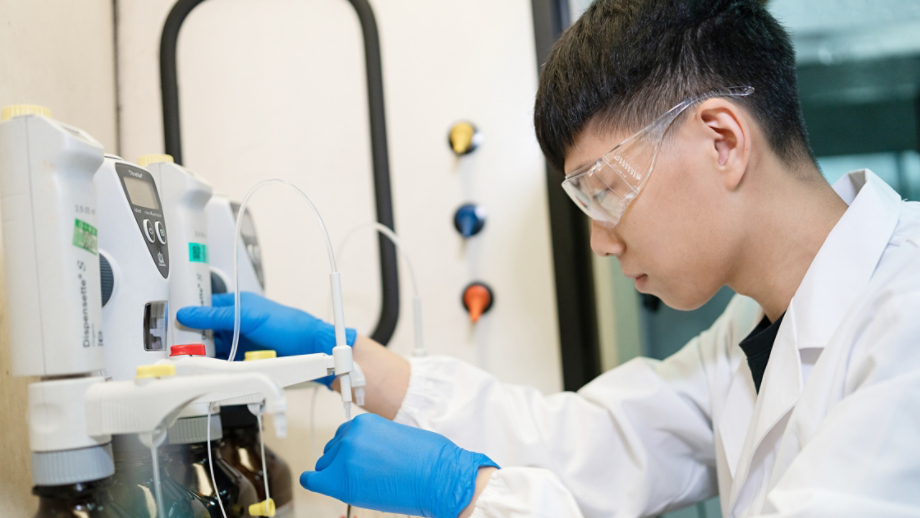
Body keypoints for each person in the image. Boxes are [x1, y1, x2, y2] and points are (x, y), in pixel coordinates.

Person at [178, 0, 920, 516]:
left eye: (605, 189)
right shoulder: (750, 330)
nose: (600, 240)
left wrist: (469, 496)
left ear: (722, 141)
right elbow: (592, 444)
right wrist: (351, 360)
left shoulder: (908, 314)